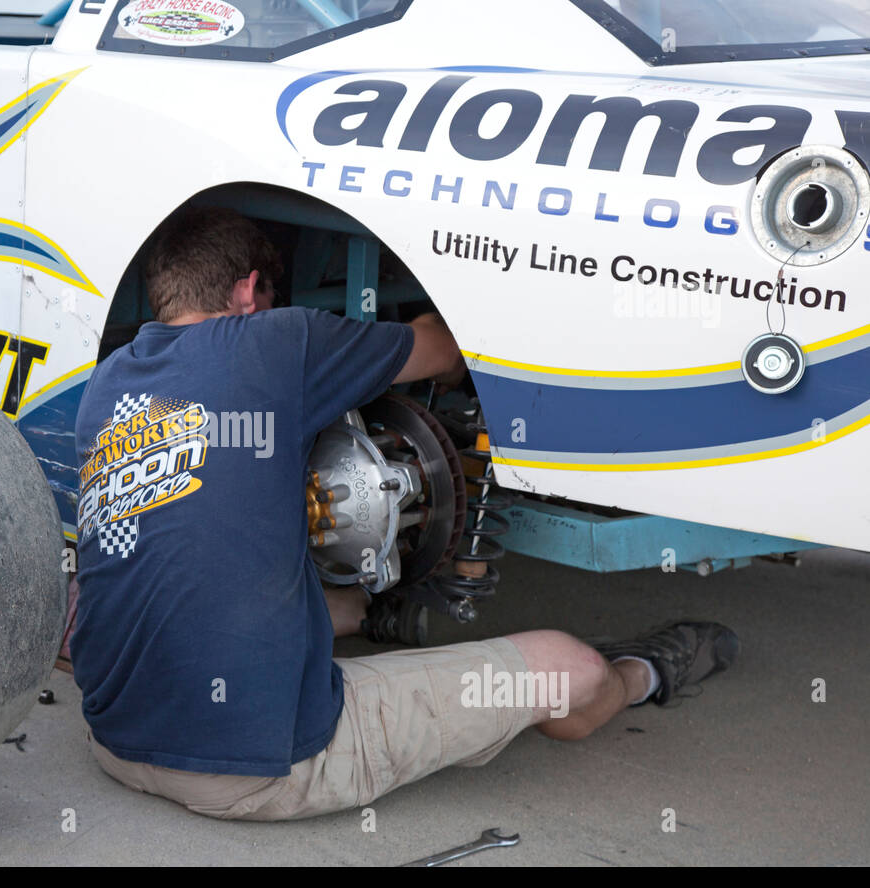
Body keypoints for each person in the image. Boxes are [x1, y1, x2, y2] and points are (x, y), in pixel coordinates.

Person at [68, 206, 738, 821]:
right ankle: (643, 673)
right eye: (272, 294)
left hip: (114, 741)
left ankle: (376, 618)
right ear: (249, 293)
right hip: (258, 767)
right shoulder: (275, 341)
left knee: (260, 588)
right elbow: (442, 349)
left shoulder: (109, 385)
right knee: (570, 668)